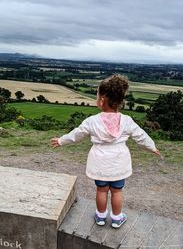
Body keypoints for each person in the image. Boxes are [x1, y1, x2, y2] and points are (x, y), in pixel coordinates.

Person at [51, 74, 160, 229]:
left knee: (101, 190)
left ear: (101, 100)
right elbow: (141, 136)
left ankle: (101, 217)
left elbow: (77, 134)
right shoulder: (127, 121)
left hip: (100, 162)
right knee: (117, 192)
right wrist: (152, 147)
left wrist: (61, 140)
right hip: (119, 163)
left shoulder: (92, 121)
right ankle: (116, 218)